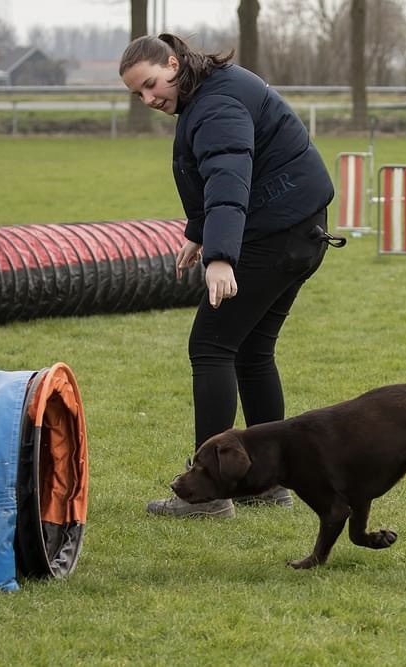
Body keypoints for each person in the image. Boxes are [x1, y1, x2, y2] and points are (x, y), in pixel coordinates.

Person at [119, 33, 343, 518]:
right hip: (305, 230)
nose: (149, 99)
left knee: (211, 346)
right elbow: (219, 175)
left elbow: (228, 176)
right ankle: (268, 483)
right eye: (138, 93)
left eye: (152, 85)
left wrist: (220, 255)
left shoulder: (216, 105)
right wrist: (199, 233)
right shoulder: (214, 88)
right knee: (252, 351)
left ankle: (208, 495)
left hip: (277, 236)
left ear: (174, 64)